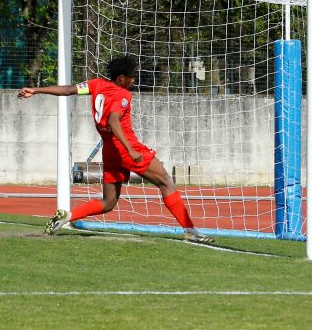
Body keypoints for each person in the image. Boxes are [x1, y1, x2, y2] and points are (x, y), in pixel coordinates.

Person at [18, 55, 214, 243]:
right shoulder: (123, 94)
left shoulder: (96, 85)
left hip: (110, 150)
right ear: (122, 78)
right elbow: (113, 120)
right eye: (131, 77)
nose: (133, 80)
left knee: (109, 202)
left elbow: (69, 89)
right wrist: (130, 150)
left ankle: (67, 216)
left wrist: (36, 90)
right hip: (125, 147)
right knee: (166, 181)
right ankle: (190, 231)